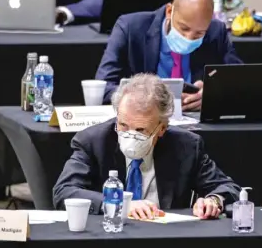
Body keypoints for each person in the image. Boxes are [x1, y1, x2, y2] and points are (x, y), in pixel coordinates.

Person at [53, 74, 240, 220]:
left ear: (162, 128)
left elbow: (228, 187)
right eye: (123, 125)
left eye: (141, 129)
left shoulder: (186, 145)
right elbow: (64, 191)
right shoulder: (94, 141)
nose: (130, 134)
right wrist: (118, 204)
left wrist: (213, 200)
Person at [95, 0, 242, 110]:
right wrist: (150, 99)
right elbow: (103, 88)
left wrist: (212, 95)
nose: (189, 38)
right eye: (184, 28)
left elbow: (241, 80)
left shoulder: (216, 32)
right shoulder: (130, 28)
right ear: (169, 11)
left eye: (199, 33)